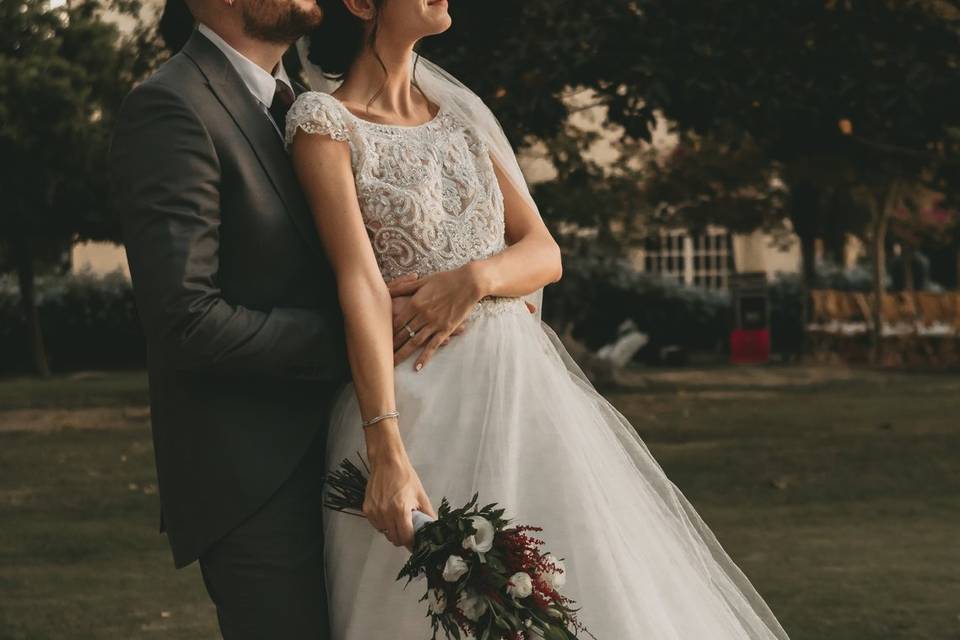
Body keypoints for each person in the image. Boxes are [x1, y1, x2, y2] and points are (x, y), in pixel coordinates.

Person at [285, 0, 793, 638]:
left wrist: (472, 280)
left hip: (532, 402)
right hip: (419, 405)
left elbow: (544, 252)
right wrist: (385, 446)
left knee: (583, 598)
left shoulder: (462, 120)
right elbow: (356, 281)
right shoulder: (324, 123)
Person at [111, 0, 358, 636]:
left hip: (352, 450)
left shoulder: (309, 104)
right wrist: (356, 338)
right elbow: (187, 319)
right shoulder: (170, 107)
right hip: (257, 481)